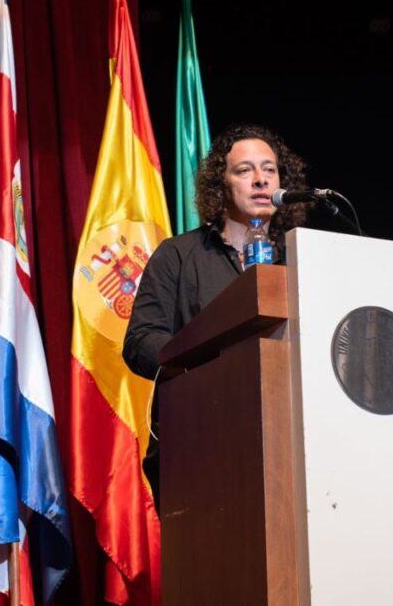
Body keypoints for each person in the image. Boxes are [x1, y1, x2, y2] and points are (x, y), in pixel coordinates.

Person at [122, 122, 310, 504]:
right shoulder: (178, 254)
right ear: (220, 186)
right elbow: (140, 341)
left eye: (269, 169)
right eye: (244, 171)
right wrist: (209, 363)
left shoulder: (302, 261)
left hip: (291, 447)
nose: (260, 179)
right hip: (198, 446)